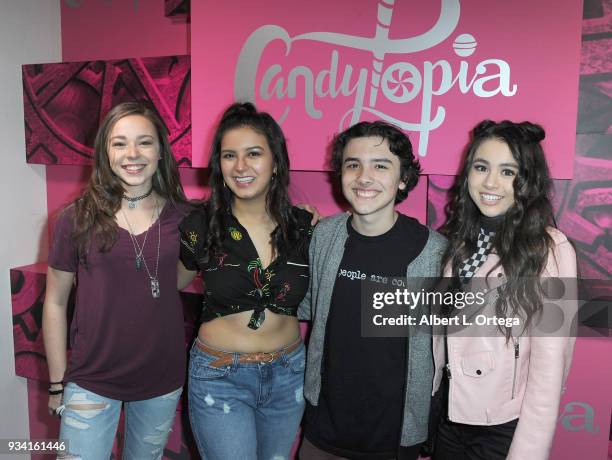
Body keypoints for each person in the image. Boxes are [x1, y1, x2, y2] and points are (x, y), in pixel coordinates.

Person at [42, 101, 190, 459]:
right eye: (119, 143)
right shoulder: (74, 219)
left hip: (161, 378)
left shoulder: (186, 218)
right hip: (91, 380)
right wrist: (58, 383)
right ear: (105, 152)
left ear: (160, 152)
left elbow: (176, 283)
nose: (132, 154)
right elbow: (55, 302)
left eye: (145, 142)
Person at [298, 121, 447, 460]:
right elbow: (307, 307)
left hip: (393, 437)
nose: (364, 177)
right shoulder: (325, 236)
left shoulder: (434, 252)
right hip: (324, 428)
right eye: (353, 165)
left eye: (380, 165)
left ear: (404, 178)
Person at [432, 120, 577, 460]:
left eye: (508, 172)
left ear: (527, 180)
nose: (491, 182)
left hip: (502, 427)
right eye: (481, 167)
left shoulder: (550, 249)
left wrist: (527, 451)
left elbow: (551, 367)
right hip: (449, 416)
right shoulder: (458, 240)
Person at [177, 102, 314, 460]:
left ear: (275, 161)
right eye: (229, 155)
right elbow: (173, 281)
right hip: (221, 377)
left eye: (254, 153)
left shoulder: (305, 227)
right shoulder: (199, 225)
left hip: (288, 375)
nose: (240, 166)